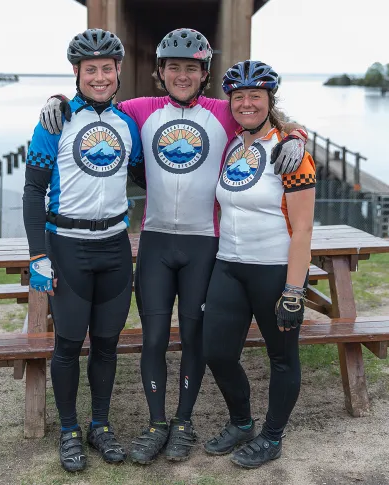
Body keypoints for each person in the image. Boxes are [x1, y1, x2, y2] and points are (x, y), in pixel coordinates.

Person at [38, 28, 308, 464]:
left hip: (205, 243)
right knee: (154, 339)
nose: (183, 76)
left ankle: (184, 422)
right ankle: (156, 424)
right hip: (156, 241)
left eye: (192, 69)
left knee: (195, 339)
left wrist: (297, 136)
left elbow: (265, 118)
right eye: (174, 68)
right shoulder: (139, 110)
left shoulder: (223, 112)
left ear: (205, 75)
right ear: (160, 72)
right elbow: (94, 103)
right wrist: (55, 100)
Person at [23, 28, 144, 472]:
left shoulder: (127, 124)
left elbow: (150, 172)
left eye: (106, 69)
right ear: (76, 73)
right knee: (69, 345)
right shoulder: (55, 121)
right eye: (90, 69)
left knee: (107, 345)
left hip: (114, 247)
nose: (99, 77)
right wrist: (38, 254)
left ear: (118, 71)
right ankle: (70, 430)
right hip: (67, 247)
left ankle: (99, 425)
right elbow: (33, 192)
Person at [202, 60, 315, 469]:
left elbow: (303, 229)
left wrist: (294, 290)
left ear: (270, 100)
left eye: (255, 96)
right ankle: (242, 422)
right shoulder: (233, 144)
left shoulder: (290, 152)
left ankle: (272, 436)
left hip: (274, 269)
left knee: (282, 357)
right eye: (239, 97)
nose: (246, 103)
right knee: (216, 352)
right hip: (229, 265)